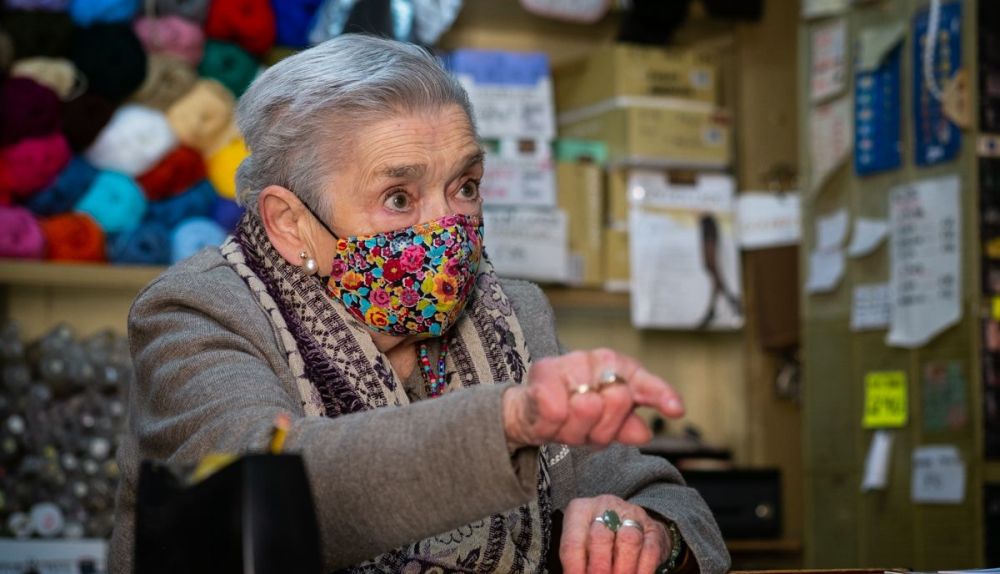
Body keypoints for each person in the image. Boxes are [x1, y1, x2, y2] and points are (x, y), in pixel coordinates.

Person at [109, 34, 730, 574]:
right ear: (290, 223)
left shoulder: (514, 314)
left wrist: (646, 533)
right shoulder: (196, 311)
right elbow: (262, 492)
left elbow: (664, 501)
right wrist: (508, 422)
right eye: (399, 198)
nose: (448, 229)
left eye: (465, 187)